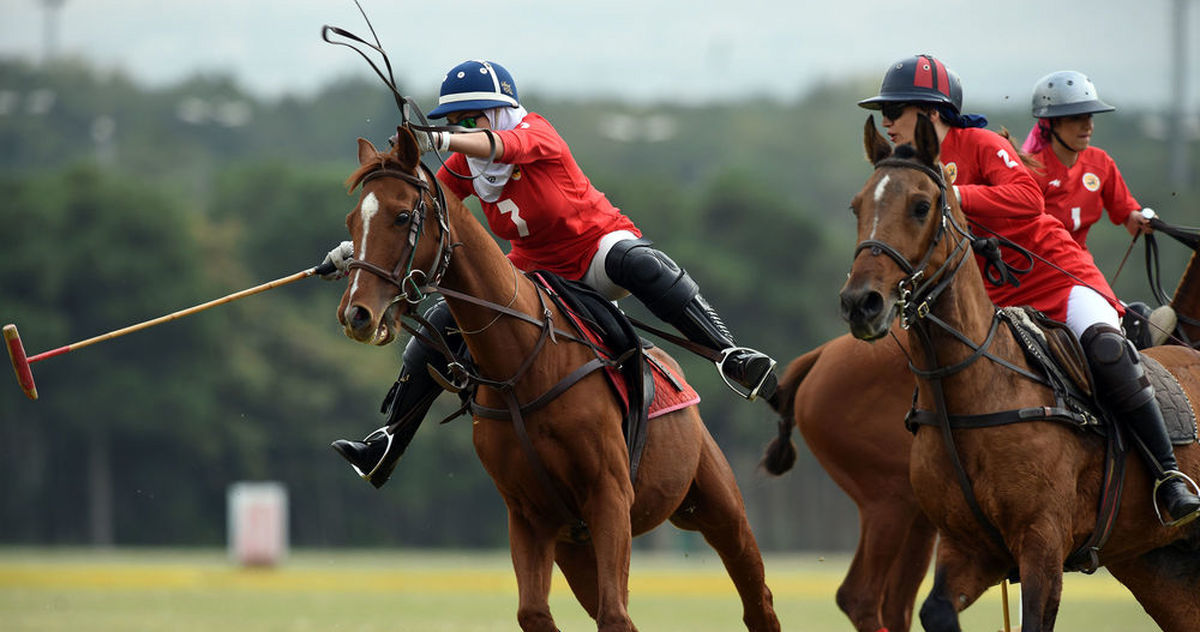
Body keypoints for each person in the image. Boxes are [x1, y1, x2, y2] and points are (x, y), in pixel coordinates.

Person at [326, 59, 778, 487]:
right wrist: (358, 249)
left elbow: (506, 147)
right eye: (451, 121)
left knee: (641, 263)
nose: (458, 130)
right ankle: (388, 442)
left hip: (595, 251)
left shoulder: (534, 132)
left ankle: (729, 354)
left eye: (468, 120)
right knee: (445, 317)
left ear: (498, 113)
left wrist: (441, 140)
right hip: (534, 271)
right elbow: (419, 211)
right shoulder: (468, 166)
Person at [858, 54, 1200, 527]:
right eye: (884, 113)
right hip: (1001, 299)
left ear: (931, 112)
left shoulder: (976, 143)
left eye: (895, 111)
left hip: (1060, 279)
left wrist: (954, 197)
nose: (887, 121)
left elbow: (1027, 197)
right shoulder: (909, 168)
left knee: (1105, 347)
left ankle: (1169, 476)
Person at [1022, 70, 1151, 250]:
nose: (1088, 126)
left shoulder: (1101, 162)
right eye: (1076, 118)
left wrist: (1138, 218)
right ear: (1050, 123)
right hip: (1038, 262)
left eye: (1089, 116)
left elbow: (1127, 214)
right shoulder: (1032, 171)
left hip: (1078, 258)